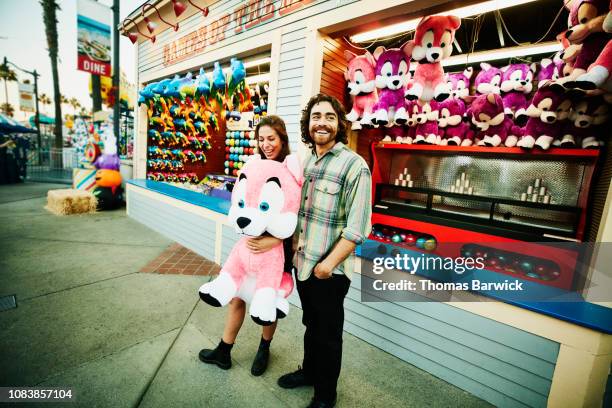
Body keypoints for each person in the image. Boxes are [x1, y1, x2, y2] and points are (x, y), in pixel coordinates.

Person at [277, 94, 372, 408]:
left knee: (328, 335)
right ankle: (310, 373)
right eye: (316, 116)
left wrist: (327, 266)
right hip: (302, 264)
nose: (322, 122)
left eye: (330, 117)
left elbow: (357, 230)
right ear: (308, 124)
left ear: (340, 124)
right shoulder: (306, 162)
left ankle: (326, 395)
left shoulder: (355, 166)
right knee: (311, 325)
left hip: (328, 271)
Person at [199, 115, 294, 376]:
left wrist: (276, 239)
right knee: (236, 298)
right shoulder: (254, 166)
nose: (266, 144)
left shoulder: (290, 169)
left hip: (278, 249)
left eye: (271, 139)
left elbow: (297, 213)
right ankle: (224, 350)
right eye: (261, 139)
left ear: (282, 139)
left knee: (268, 300)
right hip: (251, 244)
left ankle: (264, 348)